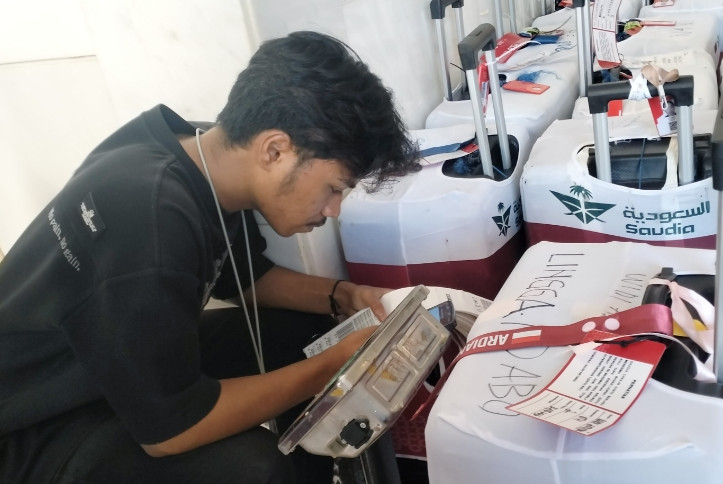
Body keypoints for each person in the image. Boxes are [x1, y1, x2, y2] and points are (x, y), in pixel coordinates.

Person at [0, 30, 420, 483]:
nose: (333, 209)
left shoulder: (199, 154)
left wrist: (343, 295)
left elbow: (244, 279)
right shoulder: (151, 217)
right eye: (334, 188)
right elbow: (171, 432)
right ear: (275, 150)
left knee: (305, 334)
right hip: (33, 424)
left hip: (108, 362)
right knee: (253, 468)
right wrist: (330, 367)